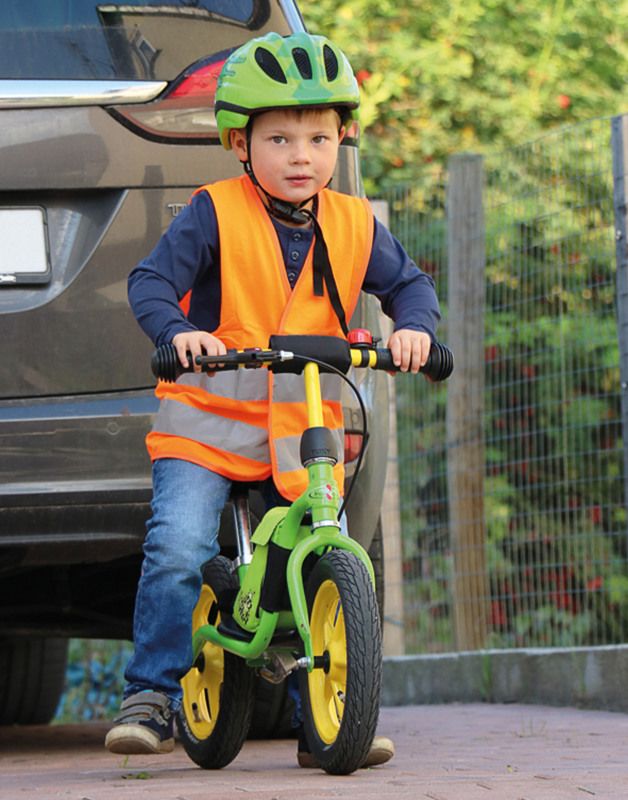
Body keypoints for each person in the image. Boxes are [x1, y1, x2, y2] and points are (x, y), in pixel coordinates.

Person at [105, 31, 440, 767]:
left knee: (323, 560)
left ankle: (327, 713)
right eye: (280, 138)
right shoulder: (212, 212)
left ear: (340, 139)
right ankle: (152, 693)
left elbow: (410, 285)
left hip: (299, 433)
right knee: (180, 549)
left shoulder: (354, 222)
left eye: (319, 138)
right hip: (208, 429)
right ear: (239, 144)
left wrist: (414, 328)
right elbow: (151, 284)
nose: (301, 156)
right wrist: (180, 331)